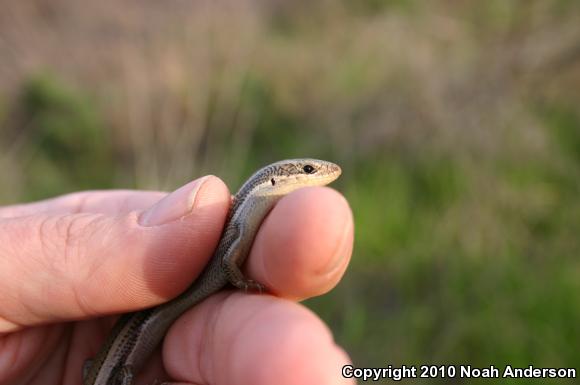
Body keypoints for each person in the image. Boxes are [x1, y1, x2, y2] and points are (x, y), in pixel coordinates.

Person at [0, 175, 355, 384]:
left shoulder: (243, 216)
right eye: (308, 172)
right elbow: (229, 259)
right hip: (121, 357)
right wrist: (242, 282)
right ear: (277, 180)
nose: (319, 175)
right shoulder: (239, 219)